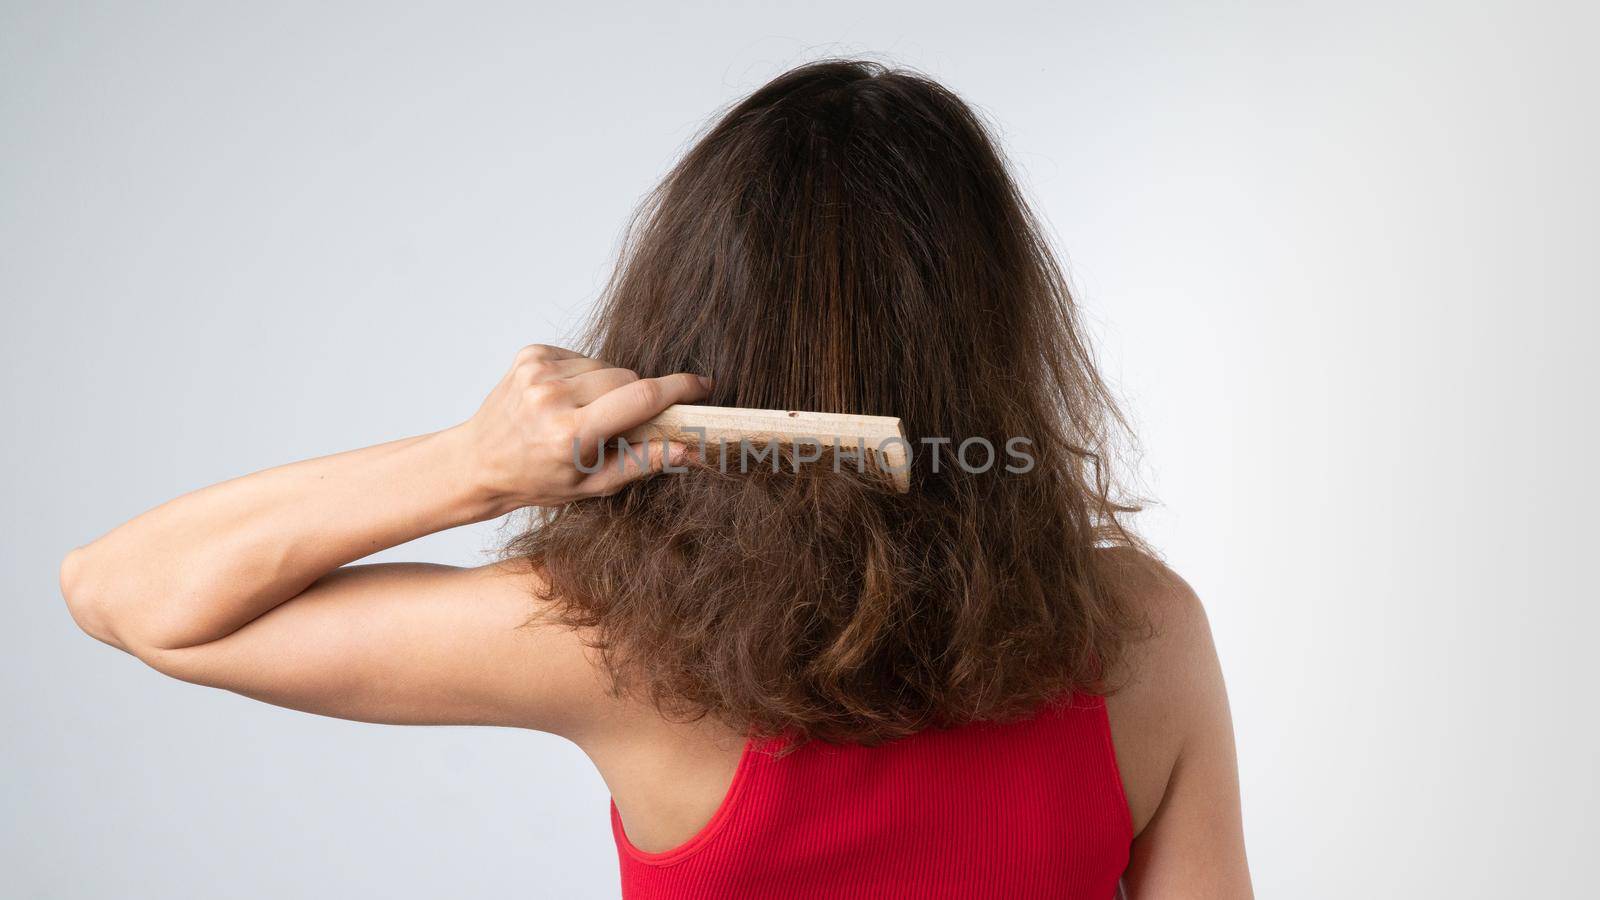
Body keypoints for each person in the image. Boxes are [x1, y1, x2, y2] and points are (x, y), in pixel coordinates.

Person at [60, 59, 1251, 898]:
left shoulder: (608, 643)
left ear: (695, 327)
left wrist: (470, 466)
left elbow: (121, 591)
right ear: (998, 335)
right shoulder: (1144, 632)